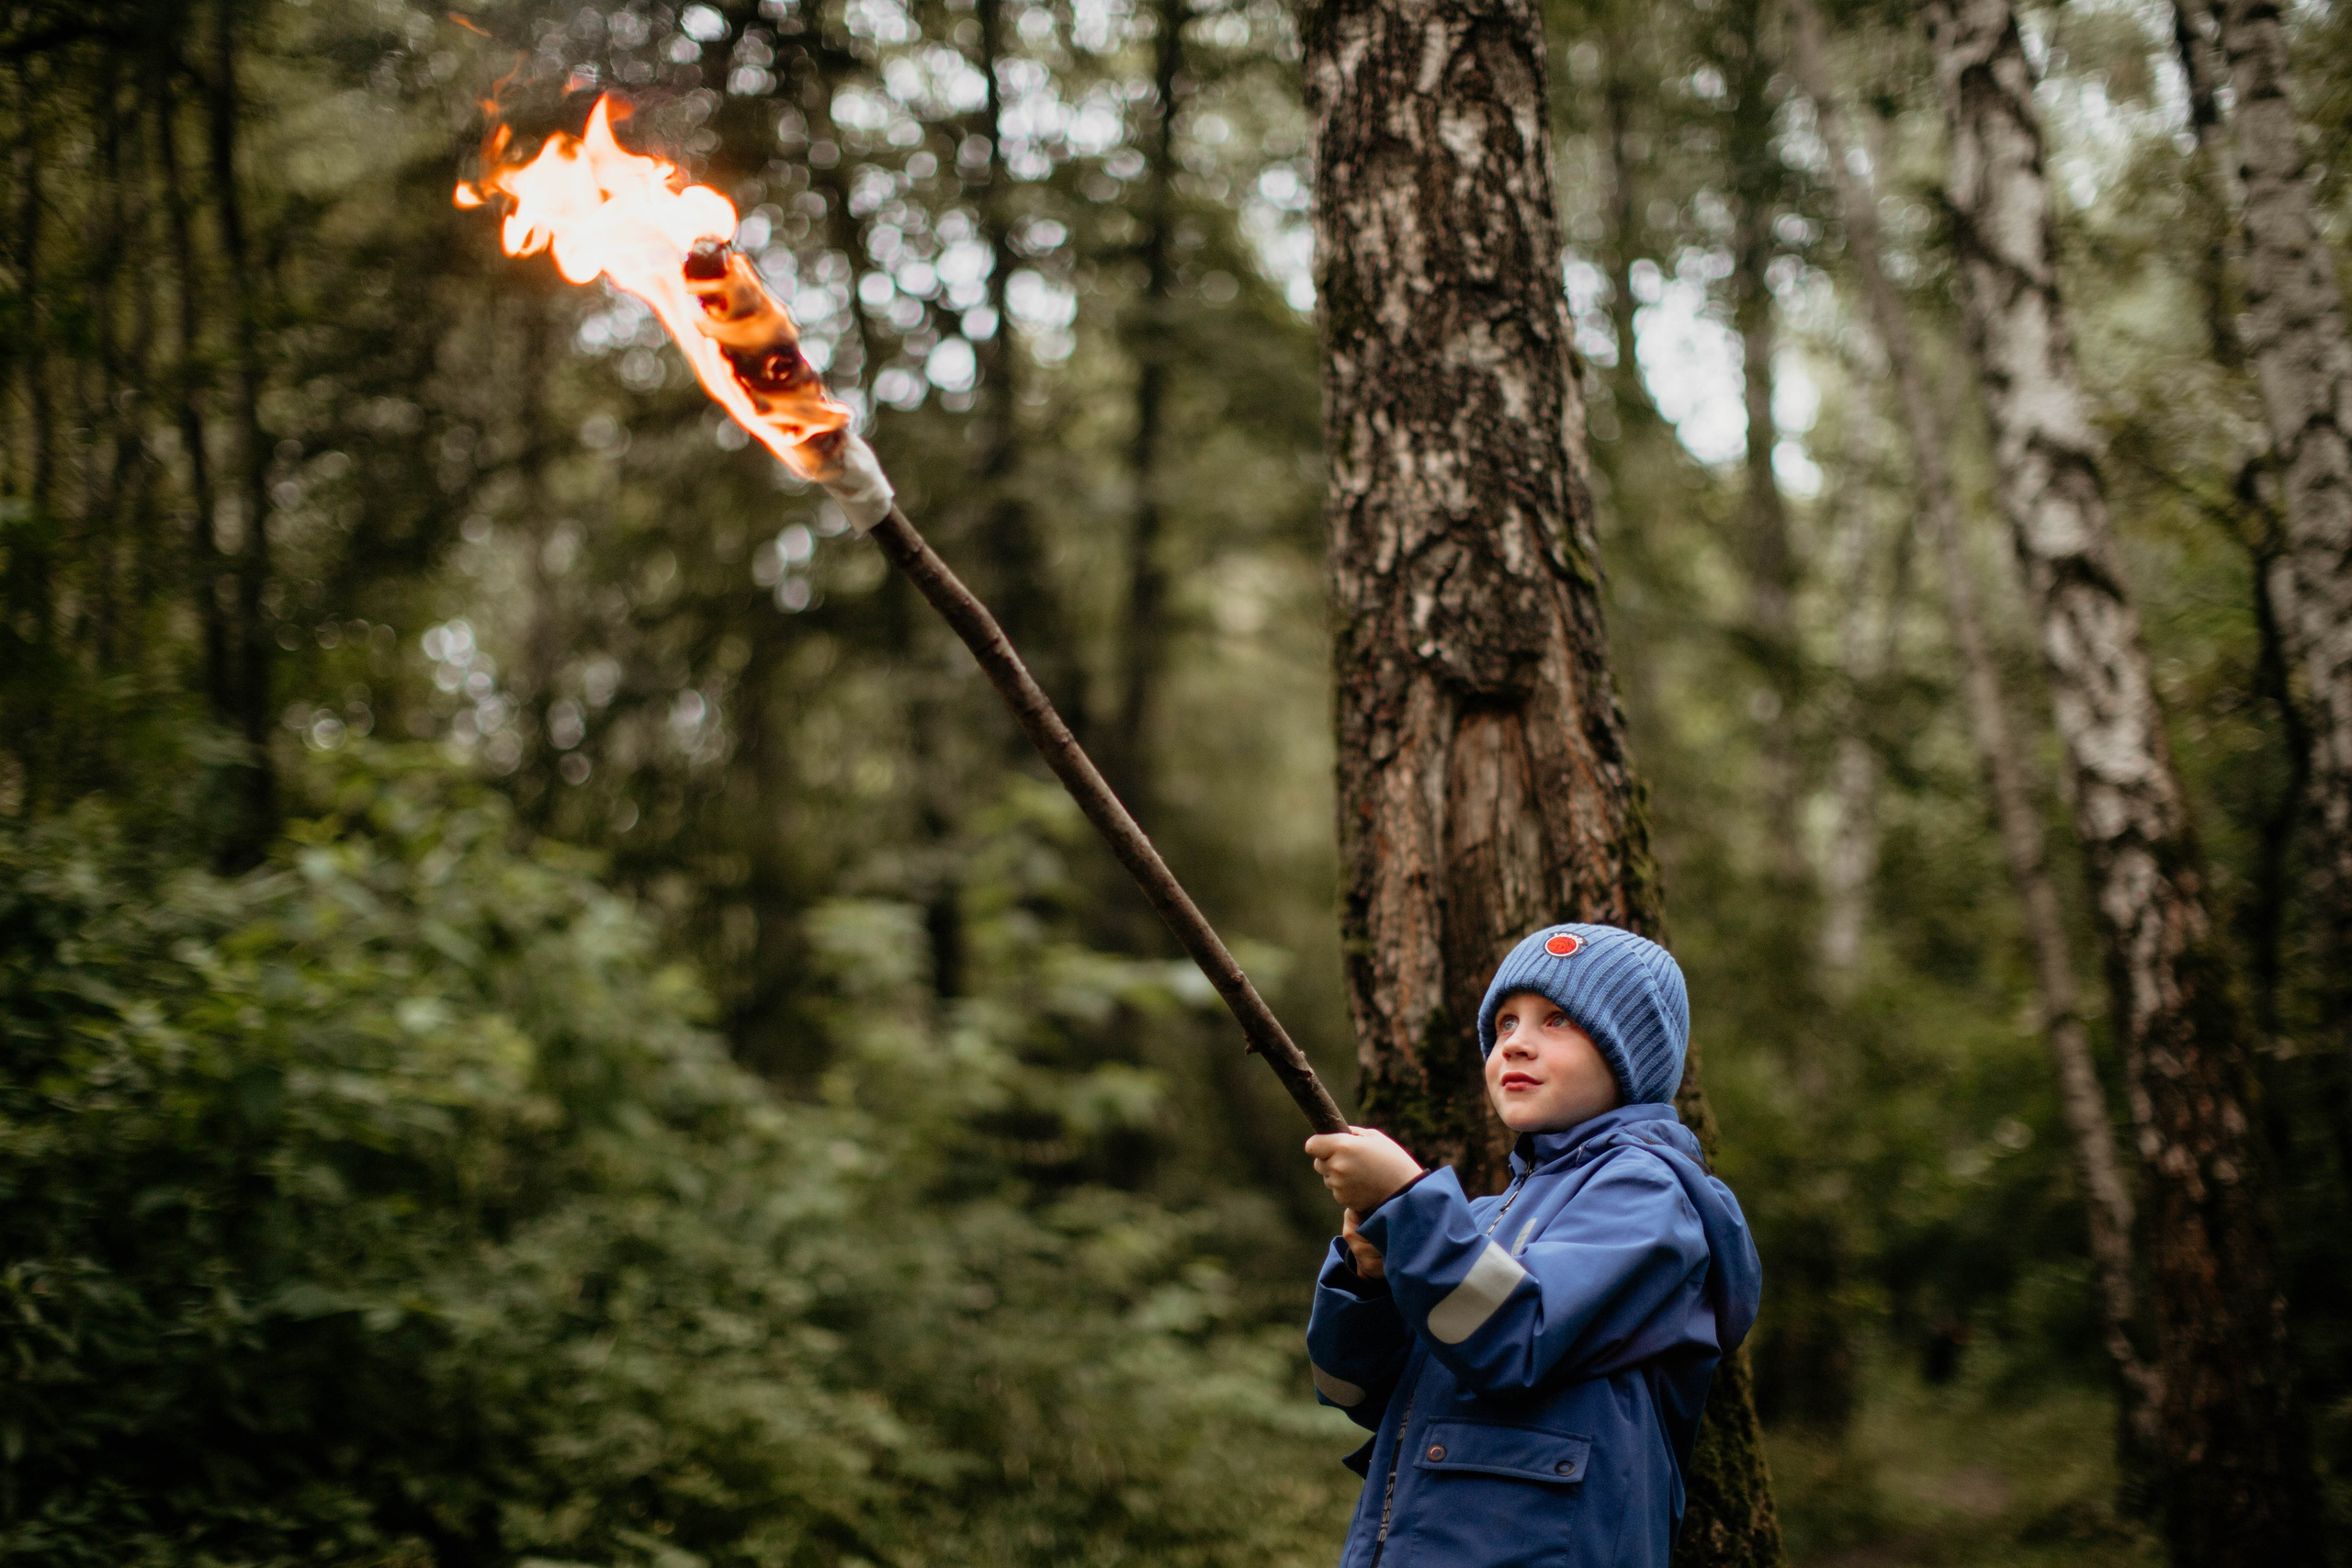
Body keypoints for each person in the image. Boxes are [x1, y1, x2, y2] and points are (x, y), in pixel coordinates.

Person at [1302, 923, 1761, 1568]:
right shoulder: (1482, 1220)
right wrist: (1371, 1276)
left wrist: (1408, 1205)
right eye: (1507, 1022)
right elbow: (1353, 1389)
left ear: (1631, 1051)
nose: (1517, 1042)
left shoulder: (1651, 1197)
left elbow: (1513, 1335)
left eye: (1558, 1020)